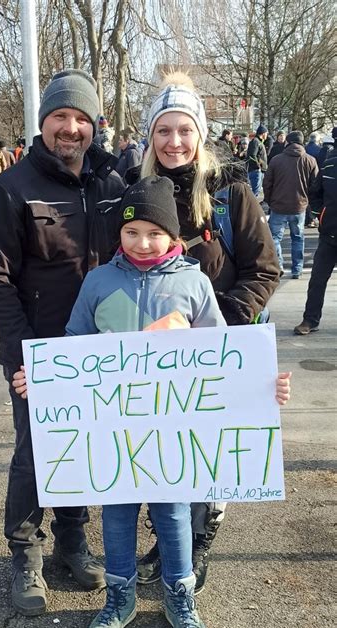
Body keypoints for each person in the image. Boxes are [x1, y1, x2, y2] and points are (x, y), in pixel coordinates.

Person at [12, 178, 292, 628]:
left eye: (155, 232)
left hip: (173, 430)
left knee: (173, 510)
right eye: (131, 232)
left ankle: (179, 597)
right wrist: (43, 378)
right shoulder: (98, 282)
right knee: (118, 512)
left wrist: (262, 385)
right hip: (116, 427)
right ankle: (119, 597)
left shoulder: (195, 283)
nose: (143, 243)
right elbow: (73, 346)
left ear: (174, 236)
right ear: (118, 235)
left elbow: (224, 353)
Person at [0, 68, 125, 616]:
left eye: (81, 118)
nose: (70, 127)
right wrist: (23, 358)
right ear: (43, 123)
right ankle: (25, 555)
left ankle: (71, 541)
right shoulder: (10, 188)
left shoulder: (111, 185)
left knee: (83, 450)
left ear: (93, 125)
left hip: (101, 352)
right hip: (38, 355)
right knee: (36, 455)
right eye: (60, 116)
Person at [124, 71, 280, 595]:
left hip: (220, 348)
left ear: (200, 133)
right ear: (150, 136)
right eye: (163, 131)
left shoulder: (231, 192)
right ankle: (167, 538)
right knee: (165, 450)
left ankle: (199, 538)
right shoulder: (136, 190)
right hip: (155, 352)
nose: (174, 142)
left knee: (210, 456)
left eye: (184, 130)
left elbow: (264, 269)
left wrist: (219, 325)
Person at [294, 130, 337, 335]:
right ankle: (310, 320)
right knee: (317, 281)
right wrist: (320, 215)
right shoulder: (329, 164)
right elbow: (315, 192)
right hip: (329, 235)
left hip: (328, 231)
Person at [264, 131, 318, 279]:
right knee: (298, 238)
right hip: (299, 205)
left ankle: (279, 265)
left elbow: (267, 183)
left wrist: (270, 200)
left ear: (287, 142)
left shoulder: (276, 160)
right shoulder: (310, 160)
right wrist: (309, 204)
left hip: (278, 205)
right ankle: (297, 269)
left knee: (274, 237)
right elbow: (315, 186)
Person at [246, 124, 268, 196]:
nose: (267, 135)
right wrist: (258, 166)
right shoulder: (256, 142)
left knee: (256, 192)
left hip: (258, 171)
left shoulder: (259, 142)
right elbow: (252, 155)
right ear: (263, 133)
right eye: (266, 133)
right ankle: (251, 206)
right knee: (255, 192)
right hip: (256, 171)